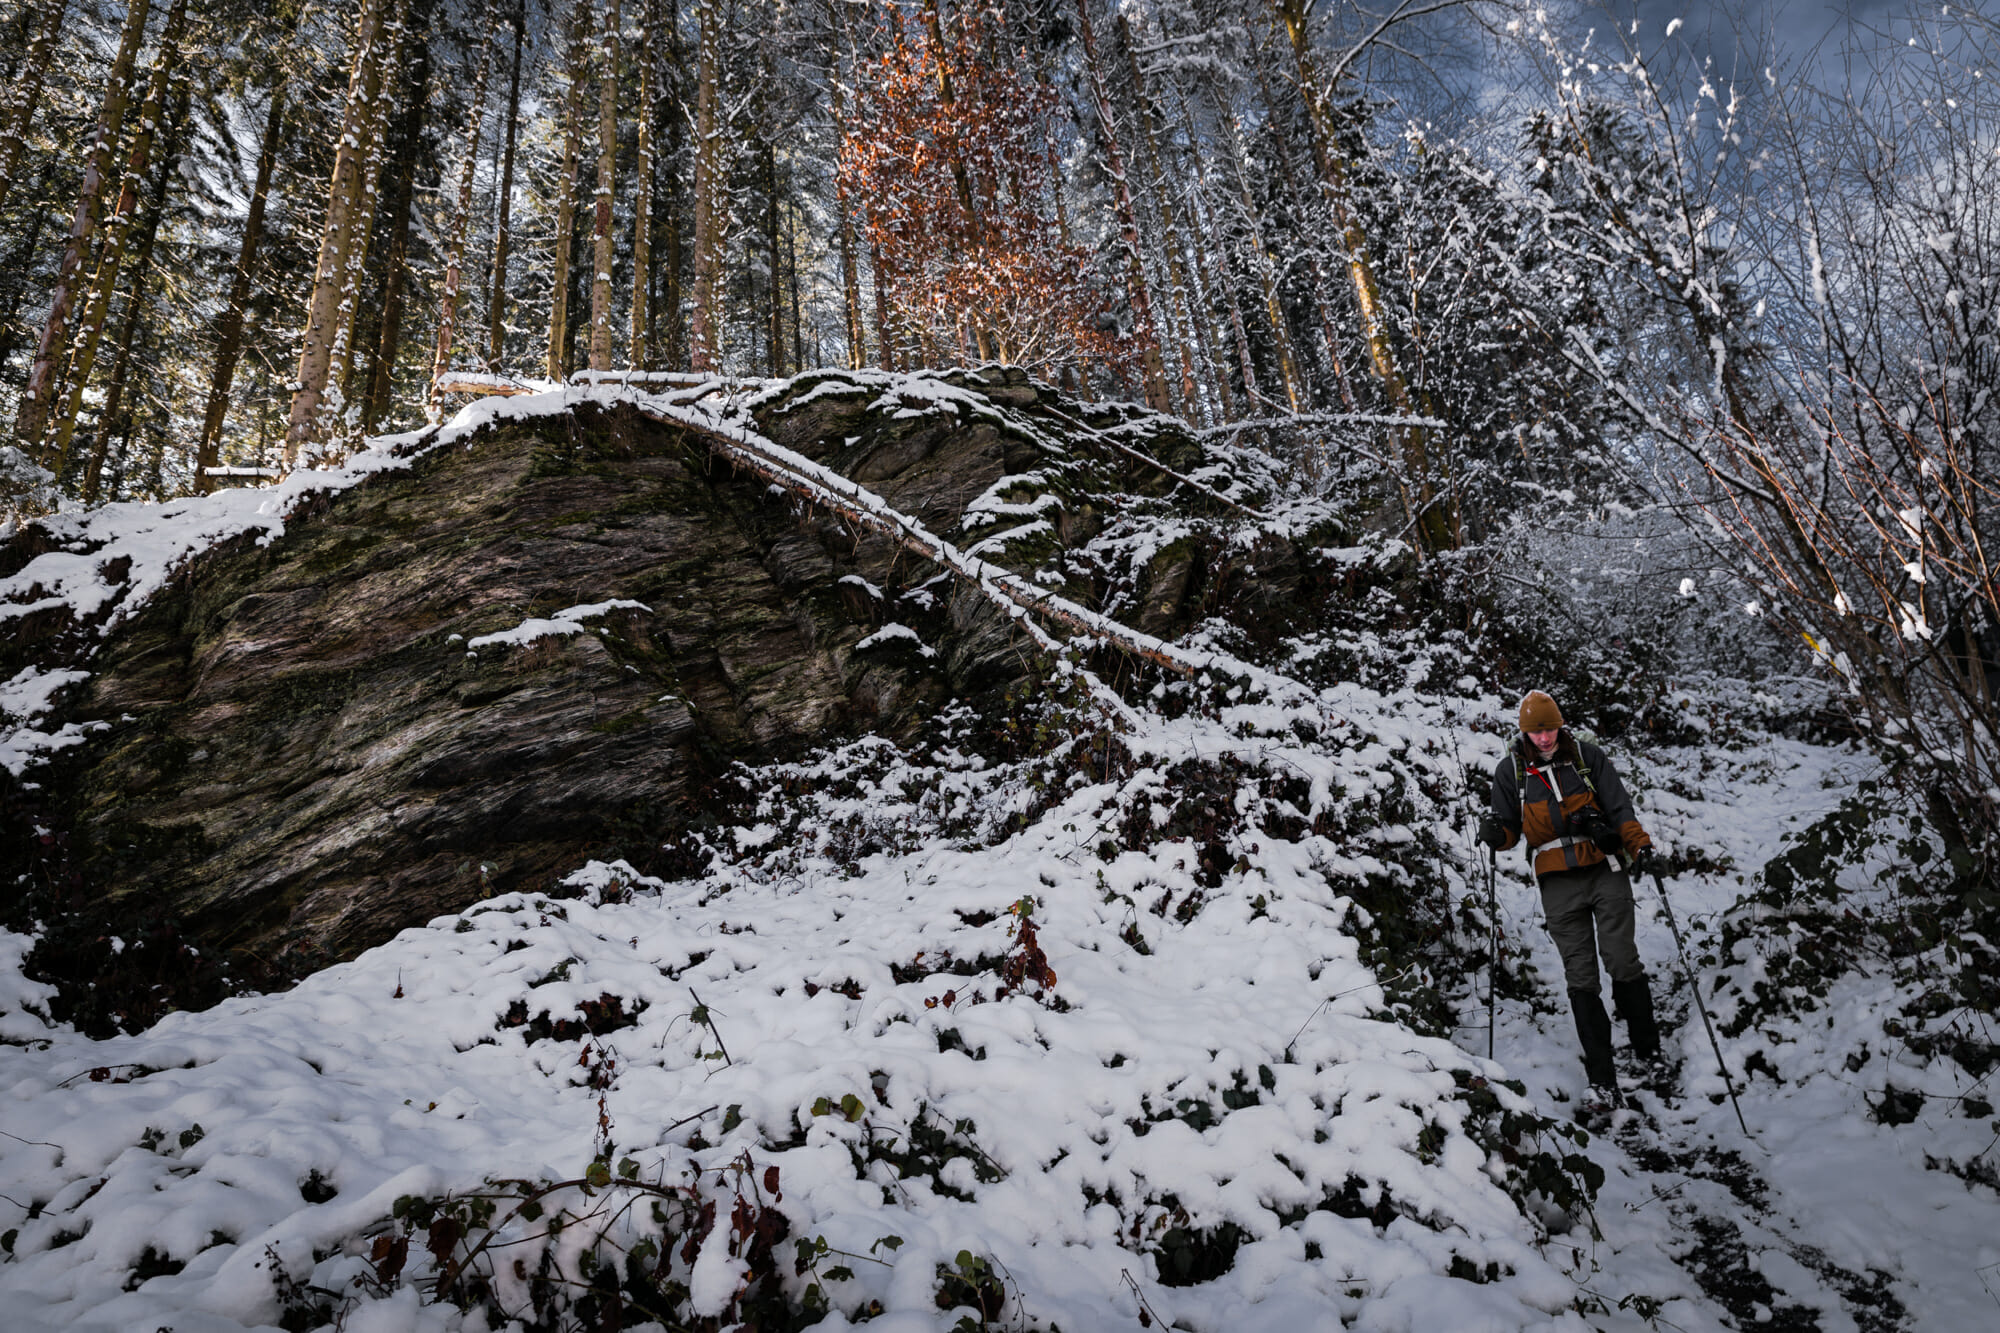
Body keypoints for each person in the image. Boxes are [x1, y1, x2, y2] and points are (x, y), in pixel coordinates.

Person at [1479, 690, 1661, 1114]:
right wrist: (1495, 834)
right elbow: (1508, 832)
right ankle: (1603, 1079)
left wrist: (1642, 847)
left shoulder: (1588, 758)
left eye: (1549, 728)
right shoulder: (1511, 773)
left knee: (1621, 958)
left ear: (1560, 724)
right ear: (1524, 731)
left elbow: (1620, 809)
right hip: (1556, 879)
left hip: (1604, 867)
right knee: (1580, 975)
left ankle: (1648, 1050)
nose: (1543, 737)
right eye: (1535, 730)